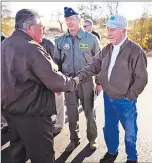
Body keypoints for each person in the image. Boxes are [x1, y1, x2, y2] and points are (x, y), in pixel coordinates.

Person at [1, 9, 78, 163]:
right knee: (43, 156)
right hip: (33, 114)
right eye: (41, 26)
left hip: (11, 112)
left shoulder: (4, 44)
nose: (43, 30)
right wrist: (74, 82)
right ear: (29, 27)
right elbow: (55, 81)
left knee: (18, 151)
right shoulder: (32, 48)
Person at [74, 14, 148, 163]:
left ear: (124, 31)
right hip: (108, 97)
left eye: (113, 29)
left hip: (125, 100)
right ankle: (112, 152)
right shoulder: (107, 49)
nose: (108, 33)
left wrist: (129, 96)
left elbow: (142, 78)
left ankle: (132, 158)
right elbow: (94, 65)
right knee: (109, 128)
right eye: (108, 29)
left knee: (130, 132)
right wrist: (78, 77)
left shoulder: (135, 51)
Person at [53, 7, 101, 152]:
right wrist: (57, 84)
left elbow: (100, 62)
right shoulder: (60, 41)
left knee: (90, 112)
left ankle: (92, 138)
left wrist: (99, 82)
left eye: (72, 19)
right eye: (67, 19)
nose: (69, 22)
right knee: (72, 114)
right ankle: (74, 139)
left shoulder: (91, 39)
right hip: (68, 84)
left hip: (86, 82)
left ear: (79, 20)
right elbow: (56, 64)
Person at [40, 33, 65, 135]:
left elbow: (57, 62)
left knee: (58, 101)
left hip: (54, 78)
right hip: (41, 79)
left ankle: (59, 124)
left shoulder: (48, 43)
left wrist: (58, 82)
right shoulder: (29, 44)